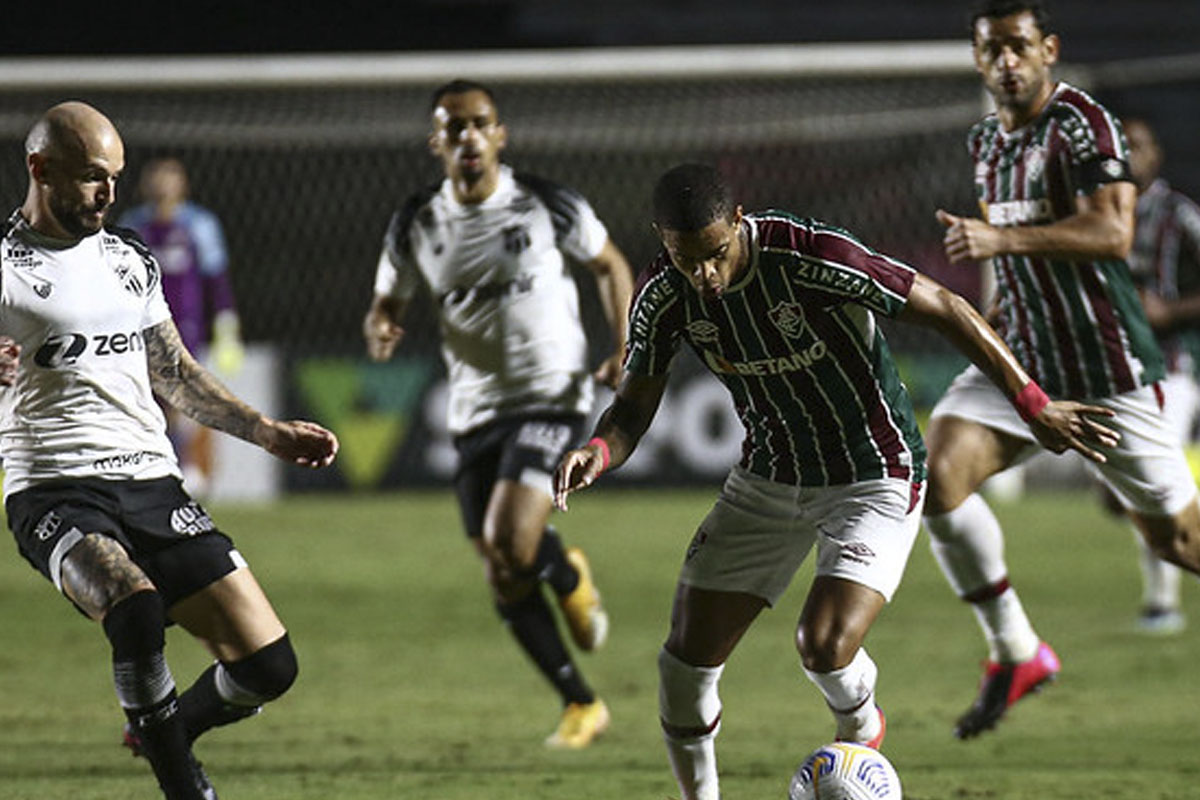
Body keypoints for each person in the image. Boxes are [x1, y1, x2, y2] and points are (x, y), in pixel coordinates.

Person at [552, 162, 1115, 800]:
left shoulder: (810, 255)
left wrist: (1034, 404)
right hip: (768, 477)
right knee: (682, 667)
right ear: (663, 240)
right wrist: (598, 449)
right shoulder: (662, 294)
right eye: (687, 259)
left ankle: (861, 728)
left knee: (822, 645)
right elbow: (632, 407)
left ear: (738, 223)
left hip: (873, 472)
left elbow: (948, 307)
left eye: (714, 254)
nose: (703, 275)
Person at [1, 101, 339, 799]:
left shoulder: (128, 258)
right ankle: (186, 786)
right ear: (40, 168)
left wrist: (268, 432)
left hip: (153, 484)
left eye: (115, 178)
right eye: (93, 177)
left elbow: (177, 375)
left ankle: (164, 728)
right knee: (134, 609)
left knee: (269, 667)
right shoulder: (4, 267)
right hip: (55, 489)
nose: (109, 194)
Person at [925, 0, 1200, 740]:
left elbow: (1113, 231)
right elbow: (995, 253)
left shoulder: (1083, 124)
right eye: (991, 50)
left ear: (1047, 50)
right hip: (1022, 359)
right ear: (978, 60)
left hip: (1104, 364)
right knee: (938, 476)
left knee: (1176, 539)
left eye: (1019, 46)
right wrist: (989, 329)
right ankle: (1015, 650)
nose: (1006, 62)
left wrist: (999, 239)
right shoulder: (986, 140)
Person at [362, 79, 634, 749]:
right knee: (502, 571)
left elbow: (610, 265)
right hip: (474, 411)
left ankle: (567, 575)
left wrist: (624, 345)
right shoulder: (417, 222)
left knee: (513, 540)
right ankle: (582, 703)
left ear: (500, 135)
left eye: (480, 123)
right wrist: (381, 327)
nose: (468, 136)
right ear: (437, 142)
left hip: (554, 394)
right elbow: (387, 302)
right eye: (453, 127)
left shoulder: (547, 204)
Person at [1106, 116, 1200, 634]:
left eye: (1137, 146)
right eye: (1120, 147)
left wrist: (1171, 310)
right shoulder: (1093, 210)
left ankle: (1162, 604)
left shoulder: (1177, 213)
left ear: (1157, 155)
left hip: (1168, 369)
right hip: (1110, 373)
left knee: (1154, 487)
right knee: (1122, 494)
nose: (1127, 156)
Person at [118, 158, 244, 497]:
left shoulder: (199, 225)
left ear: (183, 184)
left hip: (184, 324)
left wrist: (226, 324)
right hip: (136, 326)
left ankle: (183, 464)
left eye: (170, 178)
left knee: (178, 394)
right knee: (147, 397)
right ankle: (162, 465)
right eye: (156, 178)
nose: (162, 185)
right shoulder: (133, 226)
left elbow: (216, 279)